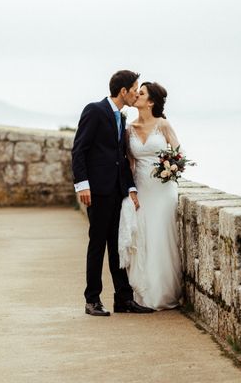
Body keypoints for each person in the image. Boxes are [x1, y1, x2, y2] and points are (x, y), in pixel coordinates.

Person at [71, 70, 154, 316]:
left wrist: (130, 188)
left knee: (118, 245)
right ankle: (92, 300)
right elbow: (79, 150)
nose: (137, 93)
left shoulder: (121, 118)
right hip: (97, 191)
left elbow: (120, 158)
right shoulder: (95, 110)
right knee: (97, 244)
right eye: (135, 89)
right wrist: (82, 185)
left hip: (117, 191)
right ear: (122, 91)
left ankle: (123, 299)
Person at [121, 81, 182, 310]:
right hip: (141, 188)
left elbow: (178, 154)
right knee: (142, 236)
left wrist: (170, 167)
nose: (137, 95)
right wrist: (130, 190)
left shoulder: (163, 125)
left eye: (142, 93)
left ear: (151, 101)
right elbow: (128, 163)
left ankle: (163, 293)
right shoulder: (129, 129)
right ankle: (144, 293)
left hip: (163, 190)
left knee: (161, 238)